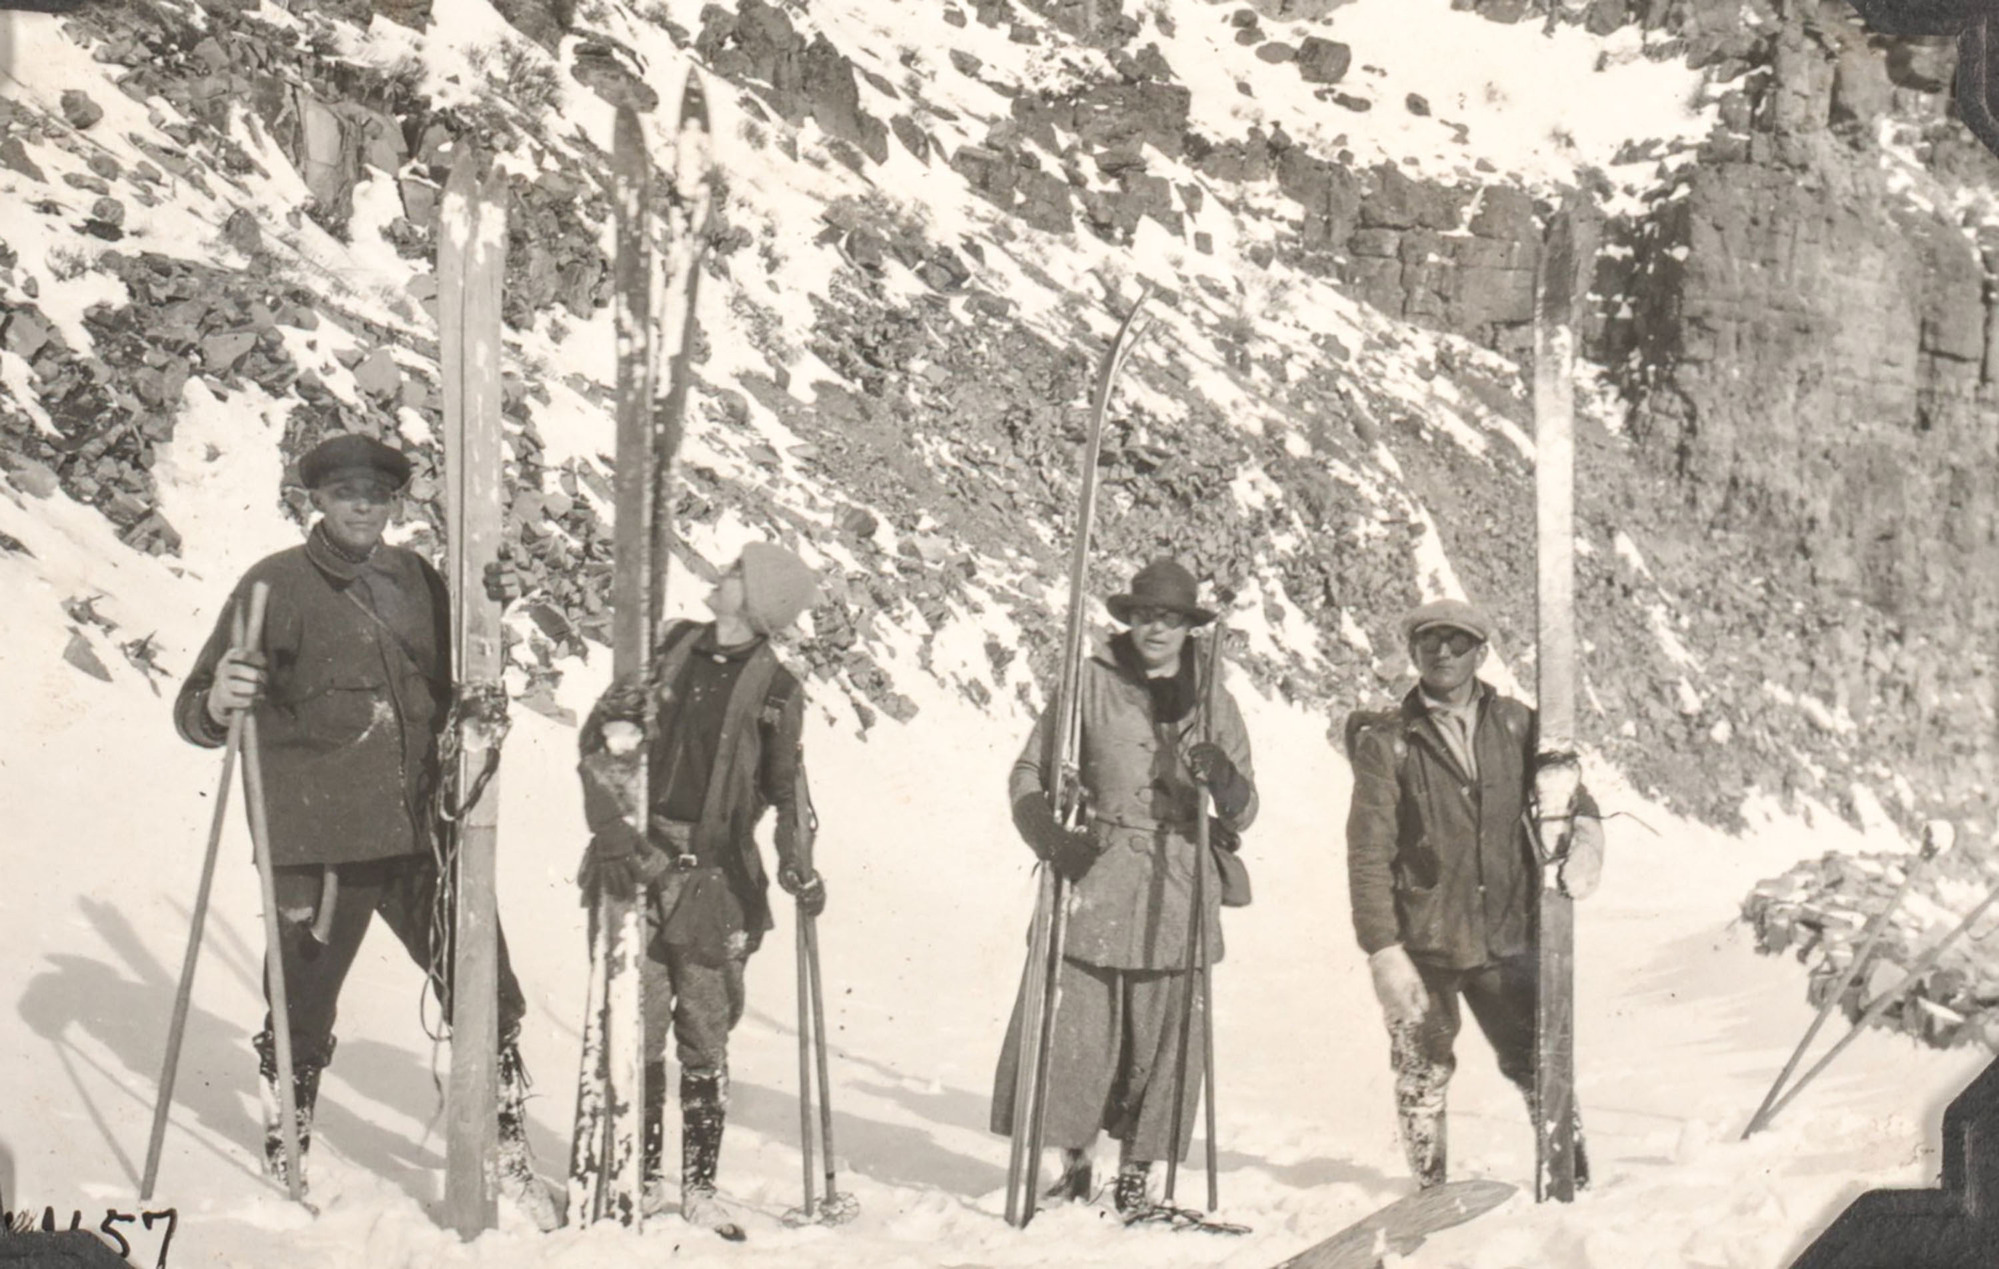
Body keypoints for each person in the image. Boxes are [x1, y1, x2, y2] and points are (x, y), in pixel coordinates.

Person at [173, 432, 559, 1225]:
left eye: (376, 495)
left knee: (486, 984)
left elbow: (452, 682)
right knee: (302, 1008)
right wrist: (220, 701)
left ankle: (506, 1150)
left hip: (423, 833)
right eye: (345, 491)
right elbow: (196, 710)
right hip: (320, 840)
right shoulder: (272, 585)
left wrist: (480, 672)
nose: (361, 506)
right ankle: (287, 1154)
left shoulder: (416, 579)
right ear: (315, 499)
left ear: (393, 504)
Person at [990, 557, 1257, 1218]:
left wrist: (1220, 773)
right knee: (1077, 1028)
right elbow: (1029, 767)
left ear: (1189, 626)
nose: (1155, 628)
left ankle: (1137, 1173)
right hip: (1097, 871)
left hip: (1178, 883)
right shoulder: (1089, 683)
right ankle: (1073, 1163)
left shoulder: (1214, 700)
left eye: (1169, 617)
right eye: (1144, 615)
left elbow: (1244, 810)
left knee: (1162, 1037)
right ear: (1129, 619)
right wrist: (1045, 831)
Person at [575, 541, 825, 1237]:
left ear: (759, 600)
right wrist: (613, 829)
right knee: (639, 1018)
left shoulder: (777, 687)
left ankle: (701, 1187)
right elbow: (604, 733)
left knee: (705, 1030)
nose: (723, 574)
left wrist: (796, 863)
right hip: (638, 858)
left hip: (718, 880)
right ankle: (647, 1174)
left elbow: (783, 786)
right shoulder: (671, 648)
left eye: (739, 572)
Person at [1345, 597, 1600, 1191]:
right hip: (1425, 943)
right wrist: (1383, 948)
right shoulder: (1389, 742)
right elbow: (1367, 853)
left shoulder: (1517, 724)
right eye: (1431, 641)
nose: (1443, 653)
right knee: (1422, 1072)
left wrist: (1587, 836)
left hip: (1508, 934)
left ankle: (1573, 1180)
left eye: (1457, 642)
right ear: (1413, 652)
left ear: (1480, 653)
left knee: (1540, 1063)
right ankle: (1429, 1191)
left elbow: (1572, 794)